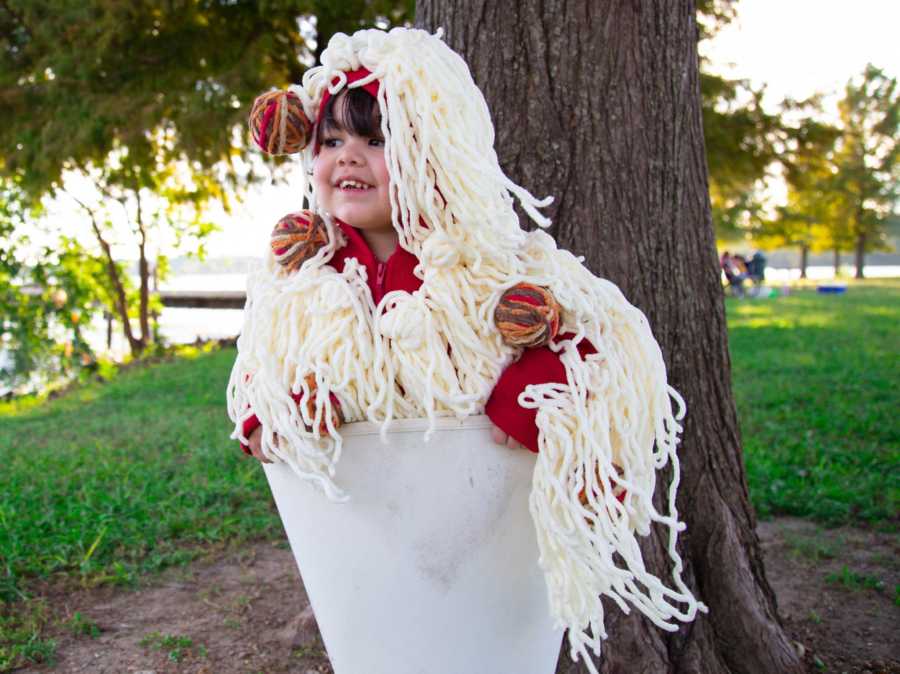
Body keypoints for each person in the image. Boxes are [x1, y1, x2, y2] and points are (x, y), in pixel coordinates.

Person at [227, 27, 703, 668]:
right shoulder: (307, 280)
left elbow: (606, 341)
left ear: (432, 153)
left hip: (487, 531)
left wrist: (533, 390)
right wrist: (274, 414)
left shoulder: (486, 265)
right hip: (371, 534)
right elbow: (266, 362)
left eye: (377, 140)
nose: (347, 158)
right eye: (331, 140)